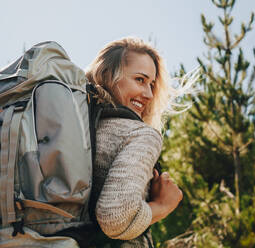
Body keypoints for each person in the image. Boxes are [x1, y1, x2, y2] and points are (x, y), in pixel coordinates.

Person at [85, 37, 185, 247]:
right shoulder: (140, 134)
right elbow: (115, 219)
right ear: (108, 76)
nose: (149, 94)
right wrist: (163, 205)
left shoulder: (81, 128)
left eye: (152, 84)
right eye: (140, 79)